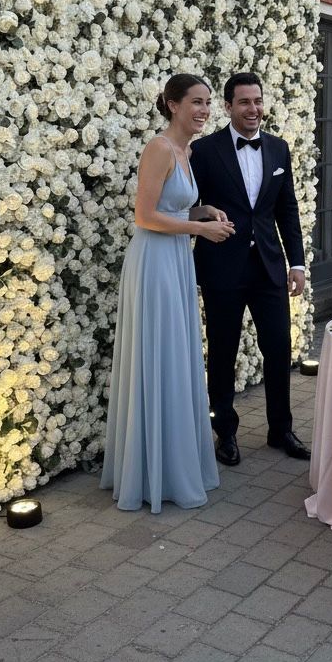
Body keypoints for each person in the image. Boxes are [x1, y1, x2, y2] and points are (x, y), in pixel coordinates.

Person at [101, 74, 234, 512]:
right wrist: (200, 228)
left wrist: (203, 210)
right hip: (154, 261)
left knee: (175, 355)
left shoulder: (187, 151)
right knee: (158, 354)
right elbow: (144, 215)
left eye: (208, 103)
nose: (203, 110)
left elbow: (171, 207)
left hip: (175, 258)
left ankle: (172, 464)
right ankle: (149, 471)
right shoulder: (158, 148)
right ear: (172, 105)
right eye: (196, 102)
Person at [191, 71, 310, 466]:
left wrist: (297, 263)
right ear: (228, 107)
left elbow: (286, 210)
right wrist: (205, 220)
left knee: (278, 347)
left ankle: (281, 429)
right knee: (222, 353)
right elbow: (185, 206)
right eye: (244, 102)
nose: (253, 109)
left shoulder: (278, 149)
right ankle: (225, 432)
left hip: (269, 269)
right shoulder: (204, 151)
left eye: (257, 101)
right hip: (222, 267)